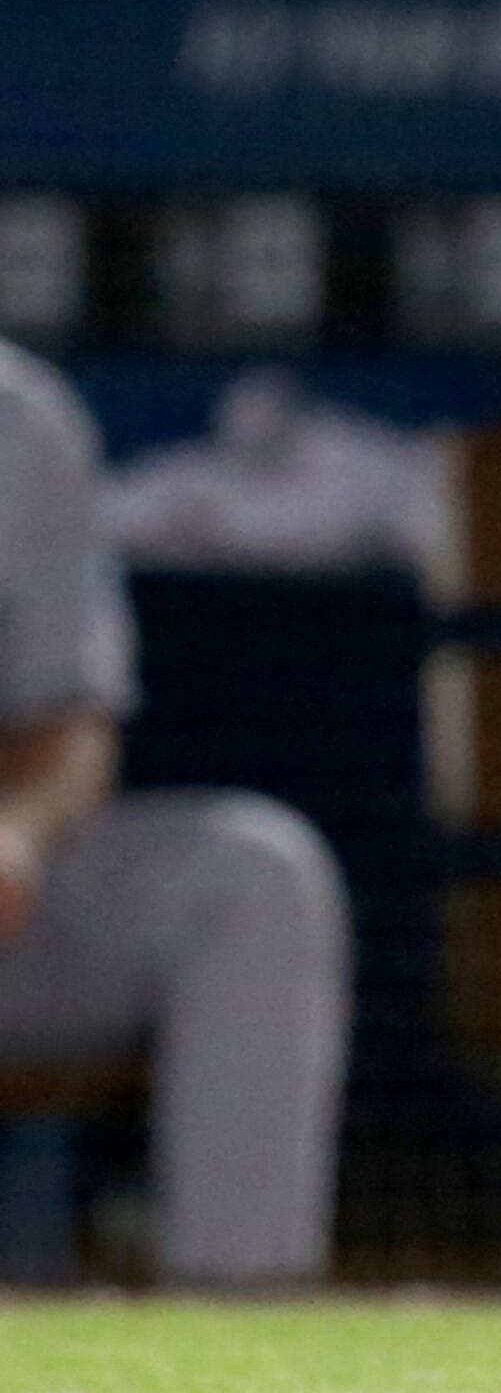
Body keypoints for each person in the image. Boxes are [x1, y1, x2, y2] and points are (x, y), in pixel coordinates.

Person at [0, 336, 350, 1285]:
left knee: (251, 877)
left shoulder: (18, 415)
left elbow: (73, 728)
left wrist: (19, 832)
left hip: (14, 930)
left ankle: (239, 1335)